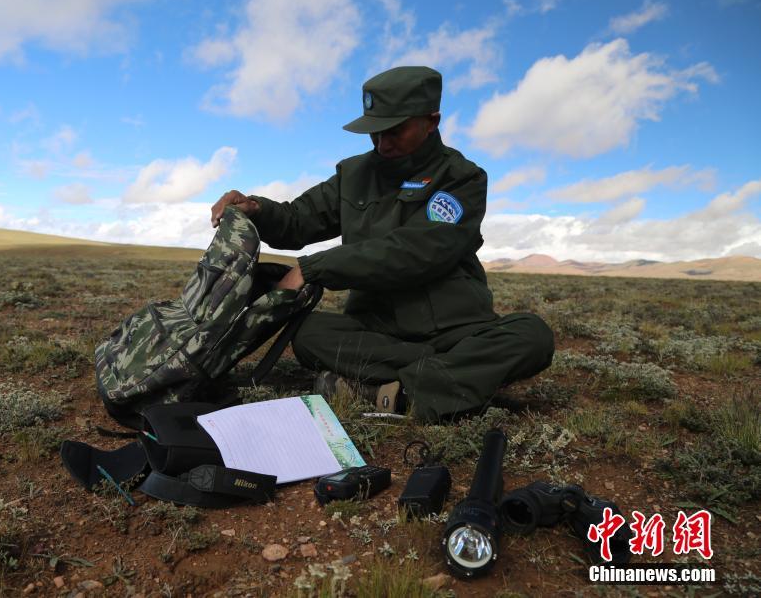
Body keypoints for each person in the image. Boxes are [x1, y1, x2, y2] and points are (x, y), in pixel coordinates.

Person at [210, 66, 554, 421]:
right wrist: (257, 209)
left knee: (533, 335)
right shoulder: (353, 174)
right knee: (310, 335)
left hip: (457, 329)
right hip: (378, 330)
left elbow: (418, 251)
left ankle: (395, 393)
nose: (381, 143)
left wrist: (314, 268)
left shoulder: (462, 178)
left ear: (431, 120)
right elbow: (297, 221)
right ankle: (453, 378)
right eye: (375, 131)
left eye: (395, 130)